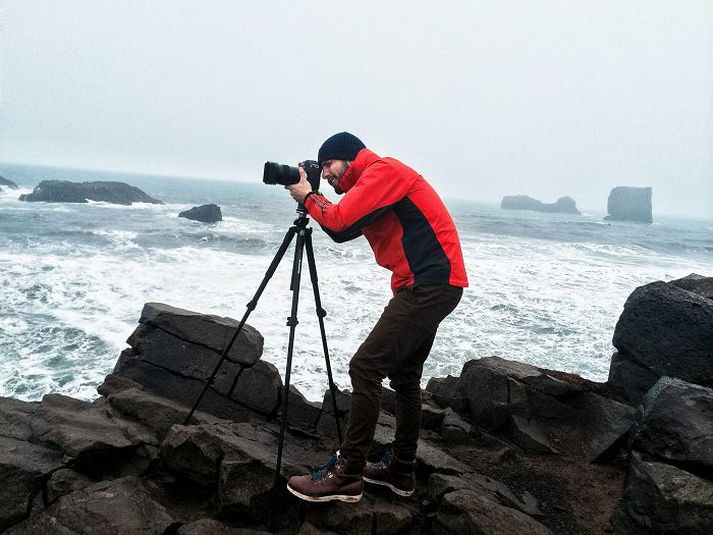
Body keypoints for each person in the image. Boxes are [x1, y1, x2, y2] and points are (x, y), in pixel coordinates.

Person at [284, 132, 468, 503]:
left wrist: (308, 195)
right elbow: (342, 230)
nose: (329, 174)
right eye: (322, 169)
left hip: (428, 284)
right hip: (433, 284)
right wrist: (315, 196)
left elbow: (336, 221)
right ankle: (400, 470)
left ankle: (348, 473)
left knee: (364, 368)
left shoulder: (383, 172)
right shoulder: (372, 185)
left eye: (329, 165)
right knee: (404, 375)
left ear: (349, 157)